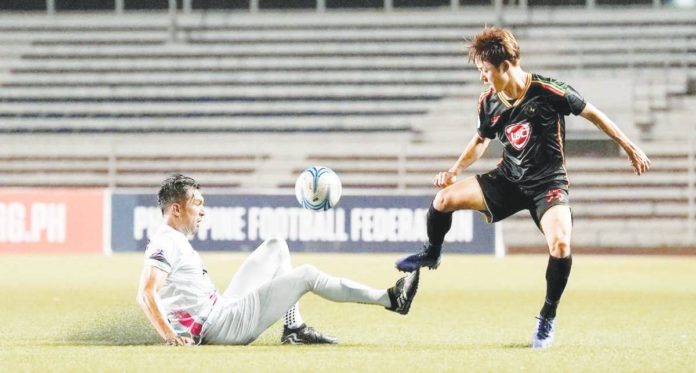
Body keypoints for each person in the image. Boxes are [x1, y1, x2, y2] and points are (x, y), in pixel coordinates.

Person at [395, 26, 651, 349]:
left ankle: (547, 316)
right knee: (443, 199)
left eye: (485, 71)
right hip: (509, 179)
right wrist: (454, 170)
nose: (482, 78)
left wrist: (629, 146)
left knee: (560, 245)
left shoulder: (547, 90)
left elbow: (593, 113)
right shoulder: (489, 103)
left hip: (548, 183)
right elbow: (480, 141)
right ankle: (432, 253)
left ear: (505, 66)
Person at [136, 174, 419, 346]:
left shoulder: (172, 238)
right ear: (176, 209)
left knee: (275, 246)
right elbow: (147, 293)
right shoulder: (165, 240)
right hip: (219, 326)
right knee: (307, 274)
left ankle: (294, 328)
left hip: (222, 309)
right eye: (197, 204)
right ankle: (392, 299)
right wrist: (170, 336)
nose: (202, 212)